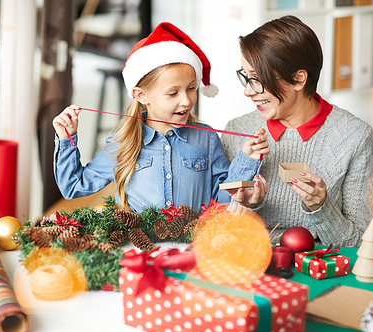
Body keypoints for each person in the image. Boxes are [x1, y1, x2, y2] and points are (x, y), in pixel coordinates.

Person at [52, 22, 269, 213]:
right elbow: (74, 187)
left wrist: (246, 159)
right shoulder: (122, 143)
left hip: (192, 249)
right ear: (142, 95)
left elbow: (222, 199)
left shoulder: (207, 139)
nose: (186, 100)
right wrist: (66, 139)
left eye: (191, 88)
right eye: (173, 93)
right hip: (137, 251)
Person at [221, 15, 373, 247]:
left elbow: (362, 246)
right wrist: (246, 206)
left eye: (257, 79)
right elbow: (216, 227)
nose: (247, 91)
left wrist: (321, 207)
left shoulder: (355, 137)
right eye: (246, 77)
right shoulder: (237, 131)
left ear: (298, 79)